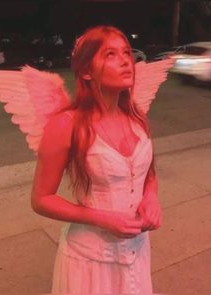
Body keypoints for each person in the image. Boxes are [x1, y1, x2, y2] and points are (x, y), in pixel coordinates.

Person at [31, 25, 162, 295]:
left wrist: (150, 197)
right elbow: (41, 199)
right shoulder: (66, 124)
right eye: (110, 54)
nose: (126, 60)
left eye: (126, 52)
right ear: (86, 72)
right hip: (91, 261)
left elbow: (147, 172)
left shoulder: (136, 117)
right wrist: (101, 218)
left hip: (137, 252)